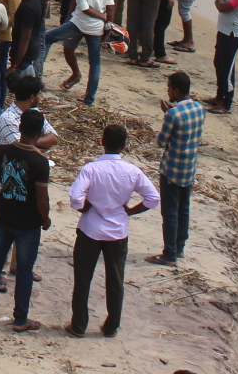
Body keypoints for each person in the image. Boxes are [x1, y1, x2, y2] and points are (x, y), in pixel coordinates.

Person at [66, 124, 160, 339]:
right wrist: (131, 211)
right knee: (116, 280)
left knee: (83, 279)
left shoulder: (91, 169)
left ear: (102, 142)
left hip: (90, 229)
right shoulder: (132, 171)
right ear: (124, 145)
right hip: (118, 231)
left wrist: (84, 207)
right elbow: (153, 198)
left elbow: (75, 196)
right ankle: (111, 326)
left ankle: (79, 325)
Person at [0, 107, 51, 331]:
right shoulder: (40, 162)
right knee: (25, 270)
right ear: (40, 133)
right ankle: (20, 318)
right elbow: (42, 197)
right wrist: (45, 219)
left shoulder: (2, 152)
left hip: (5, 217)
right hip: (28, 223)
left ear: (20, 128)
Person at [37, 0, 118, 105]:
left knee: (46, 38)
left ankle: (37, 79)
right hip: (96, 27)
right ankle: (89, 98)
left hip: (80, 23)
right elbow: (110, 6)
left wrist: (102, 18)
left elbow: (83, 8)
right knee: (95, 63)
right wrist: (106, 23)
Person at [146, 71, 205, 266]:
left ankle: (169, 254)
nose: (168, 91)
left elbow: (161, 142)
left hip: (172, 170)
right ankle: (179, 247)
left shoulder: (172, 115)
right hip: (189, 167)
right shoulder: (199, 108)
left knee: (170, 212)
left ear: (177, 91)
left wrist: (167, 114)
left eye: (169, 88)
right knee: (183, 209)